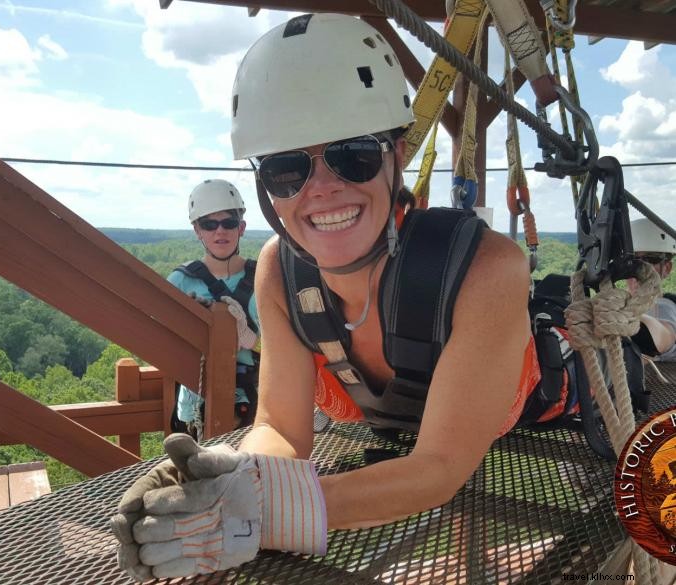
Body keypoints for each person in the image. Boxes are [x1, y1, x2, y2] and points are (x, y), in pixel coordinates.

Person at [111, 14, 540, 580]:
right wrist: (232, 480)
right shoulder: (281, 272)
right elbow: (285, 428)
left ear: (397, 152)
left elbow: (439, 467)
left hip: (531, 406)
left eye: (352, 155)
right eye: (286, 170)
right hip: (391, 424)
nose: (320, 189)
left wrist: (267, 511)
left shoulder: (485, 269)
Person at [167, 179, 260, 437]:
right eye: (209, 224)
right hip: (196, 407)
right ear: (197, 230)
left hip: (253, 400)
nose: (221, 231)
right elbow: (160, 341)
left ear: (241, 228)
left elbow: (285, 347)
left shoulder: (264, 278)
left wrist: (251, 340)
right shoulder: (181, 281)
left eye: (229, 223)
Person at [629, 217, 676, 361]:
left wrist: (625, 317)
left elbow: (663, 336)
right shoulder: (618, 301)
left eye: (650, 259)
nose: (640, 268)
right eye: (632, 260)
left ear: (666, 268)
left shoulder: (664, 305)